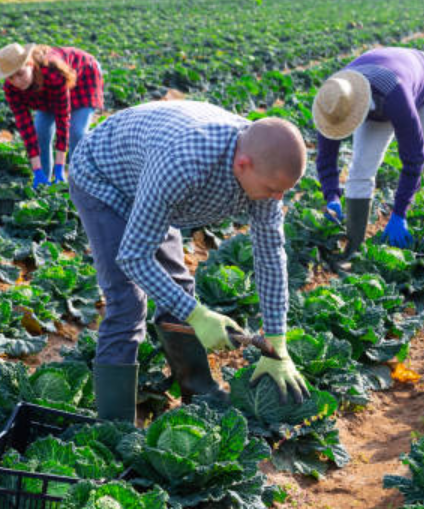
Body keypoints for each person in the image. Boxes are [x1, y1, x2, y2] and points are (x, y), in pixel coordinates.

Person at [69, 100, 311, 422]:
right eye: (271, 190)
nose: (276, 198)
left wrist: (277, 342)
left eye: (283, 191)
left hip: (152, 180)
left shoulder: (265, 172)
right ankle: (114, 429)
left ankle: (200, 397)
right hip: (104, 179)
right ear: (243, 164)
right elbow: (132, 257)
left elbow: (269, 256)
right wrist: (196, 315)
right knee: (126, 303)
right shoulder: (185, 164)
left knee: (179, 287)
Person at [313, 47, 424, 256]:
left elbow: (414, 158)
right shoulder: (333, 100)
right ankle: (353, 251)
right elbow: (325, 157)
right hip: (378, 89)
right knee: (360, 168)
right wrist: (331, 196)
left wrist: (399, 213)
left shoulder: (395, 95)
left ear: (361, 109)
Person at [0, 43, 103, 188]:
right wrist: (37, 170)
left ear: (29, 64)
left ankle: (81, 183)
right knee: (40, 132)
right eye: (11, 78)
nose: (17, 81)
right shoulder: (11, 88)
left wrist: (60, 166)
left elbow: (62, 119)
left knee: (77, 133)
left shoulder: (53, 73)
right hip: (44, 90)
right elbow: (26, 127)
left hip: (84, 75)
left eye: (20, 74)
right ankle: (45, 183)